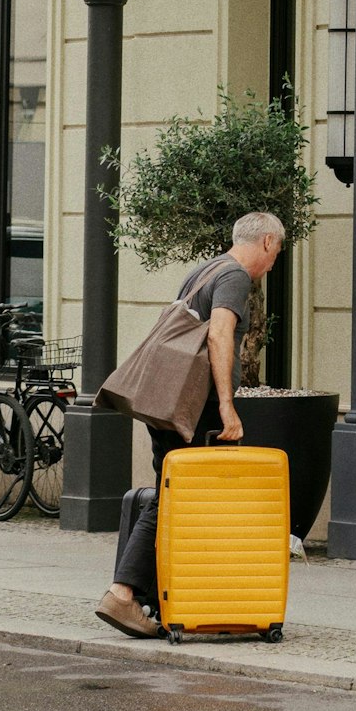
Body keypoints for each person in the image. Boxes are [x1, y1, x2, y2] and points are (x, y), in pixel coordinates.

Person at [94, 211, 285, 637]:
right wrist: (227, 406)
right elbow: (219, 336)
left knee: (173, 496)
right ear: (268, 241)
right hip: (196, 409)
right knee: (176, 500)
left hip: (170, 403)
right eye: (276, 253)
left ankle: (162, 598)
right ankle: (123, 594)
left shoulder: (205, 270)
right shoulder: (235, 277)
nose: (273, 265)